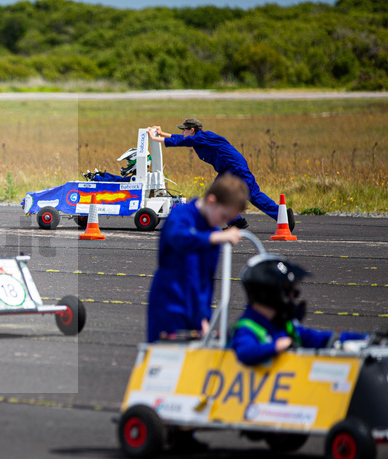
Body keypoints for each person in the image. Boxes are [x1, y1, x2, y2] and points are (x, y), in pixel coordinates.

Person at [147, 174, 248, 343]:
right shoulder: (181, 214)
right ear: (211, 201)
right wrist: (214, 238)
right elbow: (179, 237)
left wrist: (202, 318)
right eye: (223, 216)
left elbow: (205, 281)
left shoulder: (212, 230)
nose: (224, 224)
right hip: (170, 304)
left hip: (195, 309)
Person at [148, 119, 293, 231]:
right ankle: (236, 221)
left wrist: (155, 139)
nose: (182, 132)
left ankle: (283, 217)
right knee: (216, 195)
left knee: (252, 195)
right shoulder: (198, 138)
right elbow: (182, 139)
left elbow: (181, 141)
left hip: (235, 168)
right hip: (227, 169)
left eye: (184, 130)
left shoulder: (201, 138)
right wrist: (161, 134)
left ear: (192, 130)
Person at [230, 255, 368, 366]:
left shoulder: (284, 326)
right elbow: (245, 353)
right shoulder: (246, 328)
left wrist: (366, 339)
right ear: (271, 294)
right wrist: (279, 346)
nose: (294, 299)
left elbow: (320, 339)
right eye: (292, 293)